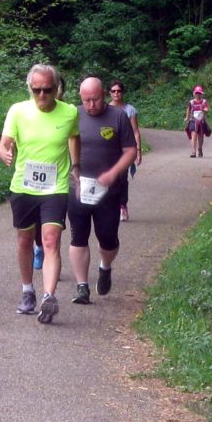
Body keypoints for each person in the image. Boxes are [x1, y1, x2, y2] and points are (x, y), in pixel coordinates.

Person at [0, 63, 80, 323]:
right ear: (30, 89)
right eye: (36, 90)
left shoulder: (69, 112)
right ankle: (27, 291)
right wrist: (4, 153)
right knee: (25, 240)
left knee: (51, 239)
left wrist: (75, 165)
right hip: (24, 187)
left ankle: (48, 297)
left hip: (55, 187)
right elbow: (3, 144)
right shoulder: (18, 111)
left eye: (47, 90)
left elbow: (74, 137)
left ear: (57, 88)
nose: (42, 95)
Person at [68, 78, 137, 305]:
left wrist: (113, 173)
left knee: (107, 239)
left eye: (96, 99)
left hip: (108, 190)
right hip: (79, 187)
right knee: (78, 236)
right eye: (86, 100)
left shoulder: (118, 117)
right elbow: (66, 143)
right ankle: (82, 287)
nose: (91, 105)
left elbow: (130, 151)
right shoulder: (74, 115)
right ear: (80, 97)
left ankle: (105, 267)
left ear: (104, 95)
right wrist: (73, 169)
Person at [107, 79, 142, 221]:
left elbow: (135, 131)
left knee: (122, 179)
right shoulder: (105, 109)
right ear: (109, 93)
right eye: (113, 91)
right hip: (107, 150)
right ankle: (108, 207)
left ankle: (122, 205)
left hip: (124, 150)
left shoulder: (130, 110)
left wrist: (138, 151)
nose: (116, 93)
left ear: (122, 92)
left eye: (119, 91)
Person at [184, 85, 210, 158]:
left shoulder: (204, 101)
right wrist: (187, 117)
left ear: (201, 94)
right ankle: (193, 152)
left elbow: (207, 109)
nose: (198, 95)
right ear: (194, 93)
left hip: (201, 121)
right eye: (197, 93)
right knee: (193, 135)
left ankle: (200, 148)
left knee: (201, 136)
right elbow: (188, 109)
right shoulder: (191, 102)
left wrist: (204, 110)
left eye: (199, 93)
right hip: (193, 120)